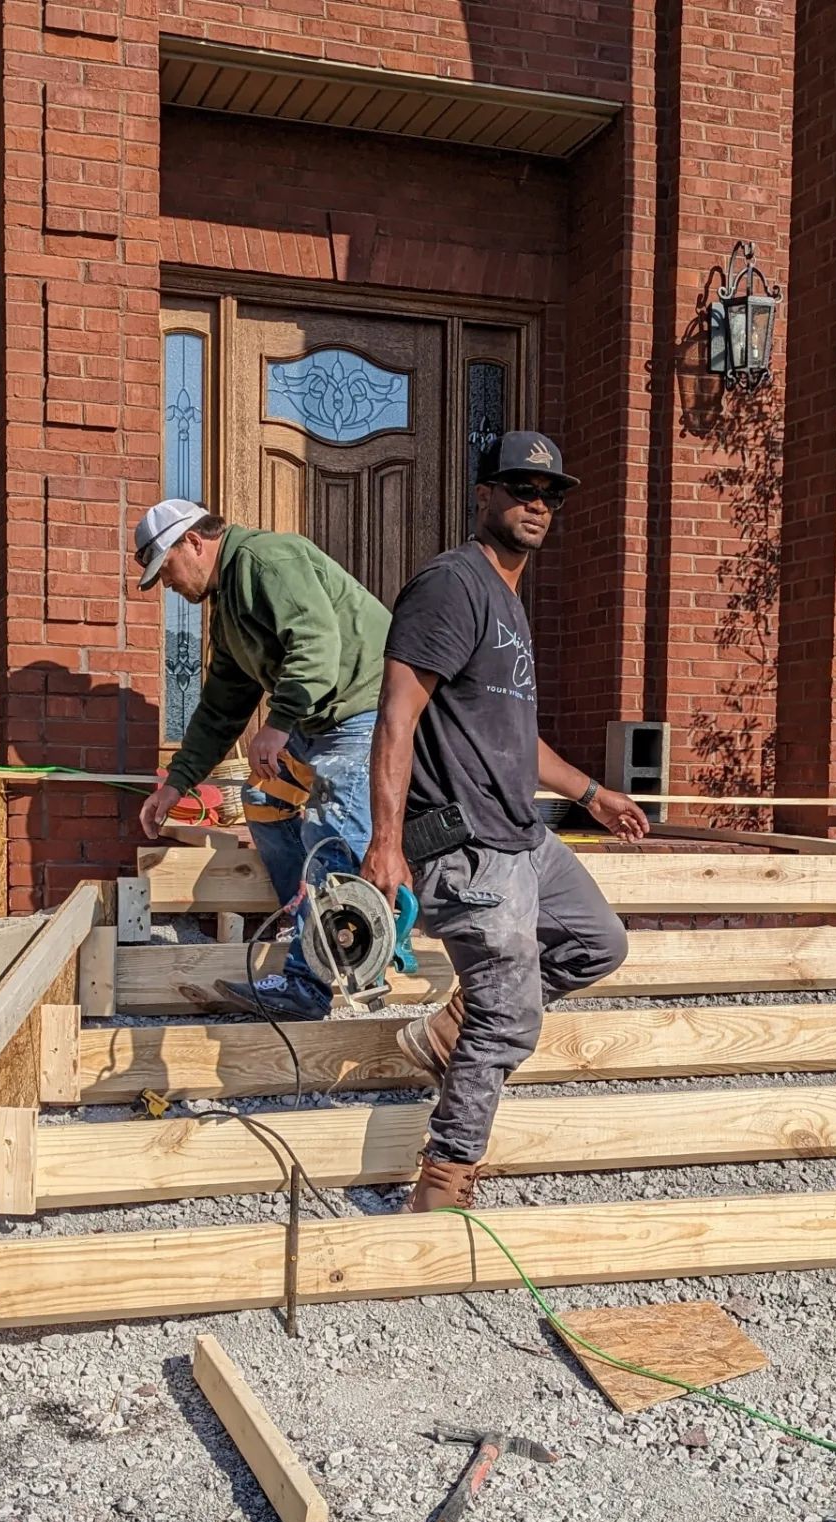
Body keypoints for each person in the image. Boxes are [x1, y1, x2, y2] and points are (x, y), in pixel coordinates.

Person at [360, 431, 650, 1214]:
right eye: (520, 487)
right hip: (462, 844)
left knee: (598, 942)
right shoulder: (451, 587)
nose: (536, 503)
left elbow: (512, 739)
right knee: (509, 1006)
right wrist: (385, 844)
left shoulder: (508, 600)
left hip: (521, 835)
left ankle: (448, 1030)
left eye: (550, 494)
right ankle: (444, 1181)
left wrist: (592, 794)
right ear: (483, 494)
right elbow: (396, 717)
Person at [131, 498, 391, 1021]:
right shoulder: (228, 611)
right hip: (321, 722)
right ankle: (314, 929)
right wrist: (176, 785)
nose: (169, 586)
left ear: (194, 542)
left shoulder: (268, 561)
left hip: (368, 710)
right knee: (262, 797)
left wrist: (277, 726)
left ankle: (322, 975)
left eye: (168, 570)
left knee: (330, 829)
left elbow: (316, 647)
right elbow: (221, 707)